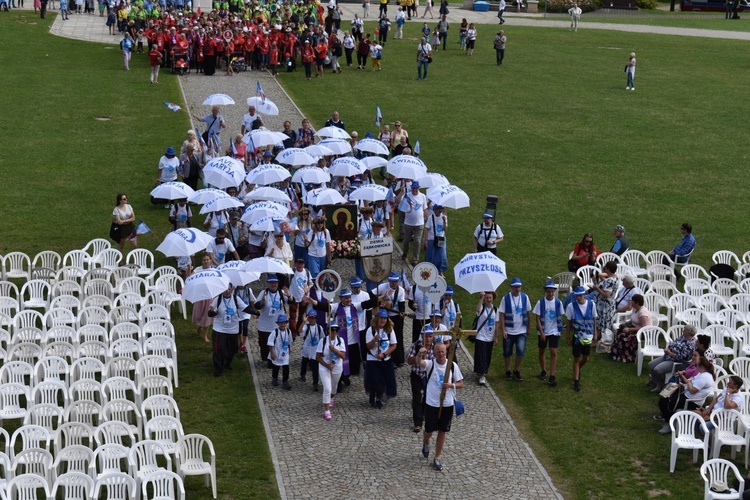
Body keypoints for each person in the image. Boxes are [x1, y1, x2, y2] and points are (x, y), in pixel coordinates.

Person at [417, 341, 463, 471]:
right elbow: (420, 363)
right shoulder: (431, 364)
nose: (441, 354)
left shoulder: (452, 366)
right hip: (432, 403)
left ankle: (437, 457)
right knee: (429, 431)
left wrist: (451, 385)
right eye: (438, 352)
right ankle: (426, 442)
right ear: (434, 353)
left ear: (446, 352)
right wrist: (420, 355)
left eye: (443, 352)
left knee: (443, 430)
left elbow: (460, 383)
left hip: (447, 403)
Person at [655, 356, 715, 434]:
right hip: (687, 395)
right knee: (666, 397)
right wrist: (684, 382)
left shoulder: (704, 377)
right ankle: (669, 419)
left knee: (664, 402)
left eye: (696, 365)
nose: (695, 367)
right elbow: (690, 382)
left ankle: (668, 424)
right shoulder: (702, 374)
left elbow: (693, 390)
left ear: (702, 367)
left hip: (692, 402)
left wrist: (688, 383)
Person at [208, 283, 248, 377]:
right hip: (219, 329)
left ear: (232, 289)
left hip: (233, 329)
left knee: (232, 348)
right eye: (225, 289)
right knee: (219, 349)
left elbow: (245, 308)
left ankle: (227, 363)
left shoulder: (235, 299)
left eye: (229, 289)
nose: (227, 291)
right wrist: (211, 311)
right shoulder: (218, 299)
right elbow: (211, 314)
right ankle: (218, 368)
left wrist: (255, 312)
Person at [565, 286, 598, 392]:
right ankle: (576, 381)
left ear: (584, 295)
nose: (578, 297)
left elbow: (594, 320)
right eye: (577, 296)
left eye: (580, 295)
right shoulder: (571, 306)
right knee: (576, 358)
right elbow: (569, 323)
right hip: (577, 337)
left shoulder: (591, 304)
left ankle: (577, 369)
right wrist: (568, 337)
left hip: (588, 336)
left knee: (586, 358)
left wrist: (595, 334)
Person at [646, 324, 697, 392]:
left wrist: (669, 353)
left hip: (677, 362)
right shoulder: (682, 337)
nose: (683, 331)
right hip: (668, 356)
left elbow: (681, 357)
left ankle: (661, 384)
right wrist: (667, 349)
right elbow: (673, 343)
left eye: (685, 330)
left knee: (657, 370)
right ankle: (655, 381)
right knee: (650, 365)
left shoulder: (691, 344)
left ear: (689, 333)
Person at [365, 309, 398, 409]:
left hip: (385, 359)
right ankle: (373, 396)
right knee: (375, 381)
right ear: (376, 319)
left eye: (384, 318)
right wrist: (374, 339)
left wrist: (384, 354)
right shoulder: (370, 330)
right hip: (373, 359)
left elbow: (393, 345)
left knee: (384, 381)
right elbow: (368, 346)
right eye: (381, 318)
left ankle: (379, 398)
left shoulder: (389, 330)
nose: (382, 320)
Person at [500, 277, 531, 382]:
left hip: (521, 330)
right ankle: (507, 370)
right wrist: (503, 330)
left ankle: (516, 370)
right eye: (515, 287)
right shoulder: (505, 298)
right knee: (507, 352)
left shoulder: (525, 297)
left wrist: (528, 326)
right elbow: (502, 314)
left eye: (519, 287)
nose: (517, 289)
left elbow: (528, 312)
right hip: (509, 330)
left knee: (520, 350)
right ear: (511, 288)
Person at [533, 280, 564, 386]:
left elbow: (561, 316)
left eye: (552, 292)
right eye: (549, 292)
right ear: (546, 292)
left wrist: (559, 328)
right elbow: (537, 318)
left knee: (553, 352)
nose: (551, 294)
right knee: (542, 351)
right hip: (543, 330)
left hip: (554, 331)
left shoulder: (558, 303)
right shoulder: (540, 303)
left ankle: (552, 375)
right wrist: (541, 332)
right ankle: (543, 370)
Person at [255, 275, 291, 365]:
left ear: (278, 283)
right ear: (268, 284)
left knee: (277, 343)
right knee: (264, 344)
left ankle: (275, 360)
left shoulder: (282, 293)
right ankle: (266, 359)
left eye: (275, 283)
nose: (273, 284)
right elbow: (256, 306)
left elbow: (291, 302)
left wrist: (289, 296)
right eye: (271, 283)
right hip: (265, 325)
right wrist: (262, 301)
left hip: (277, 325)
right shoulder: (263, 293)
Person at [373, 271, 407, 365]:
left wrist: (402, 313)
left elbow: (401, 304)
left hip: (396, 316)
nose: (394, 283)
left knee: (398, 336)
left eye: (396, 281)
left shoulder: (401, 290)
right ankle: (387, 356)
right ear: (389, 281)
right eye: (392, 281)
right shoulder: (382, 287)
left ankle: (399, 358)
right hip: (384, 315)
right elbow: (371, 295)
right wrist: (382, 298)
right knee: (386, 337)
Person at [407, 325, 436, 432]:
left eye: (430, 336)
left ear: (433, 337)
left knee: (428, 396)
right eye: (426, 336)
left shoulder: (435, 347)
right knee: (417, 397)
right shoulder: (416, 345)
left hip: (429, 375)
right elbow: (409, 361)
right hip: (417, 374)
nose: (428, 339)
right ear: (422, 337)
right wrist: (418, 355)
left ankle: (423, 413)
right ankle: (417, 422)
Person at [316, 323, 346, 420]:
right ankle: (327, 411)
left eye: (336, 330)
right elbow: (318, 357)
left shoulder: (340, 341)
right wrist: (327, 366)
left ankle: (331, 398)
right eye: (332, 330)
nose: (334, 332)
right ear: (328, 331)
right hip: (325, 367)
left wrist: (334, 350)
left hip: (337, 367)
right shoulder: (323, 341)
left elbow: (343, 356)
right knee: (327, 388)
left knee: (333, 388)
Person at [610, 294, 651, 363]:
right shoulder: (635, 309)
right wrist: (625, 324)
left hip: (642, 332)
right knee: (618, 331)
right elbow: (632, 320)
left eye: (632, 301)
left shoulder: (642, 313)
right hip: (635, 327)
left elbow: (643, 327)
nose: (631, 302)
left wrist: (629, 329)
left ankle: (627, 357)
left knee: (623, 336)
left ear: (637, 303)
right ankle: (616, 354)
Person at [589, 261, 619, 339]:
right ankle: (597, 338)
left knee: (599, 323)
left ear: (608, 269)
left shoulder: (610, 281)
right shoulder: (615, 278)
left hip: (604, 306)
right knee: (599, 323)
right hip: (606, 304)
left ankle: (595, 340)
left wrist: (597, 288)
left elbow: (606, 295)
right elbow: (604, 284)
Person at [473, 291, 497, 386]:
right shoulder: (482, 307)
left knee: (487, 356)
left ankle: (481, 371)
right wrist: (481, 298)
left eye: (490, 298)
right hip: (481, 336)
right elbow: (478, 310)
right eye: (487, 298)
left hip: (490, 336)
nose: (489, 300)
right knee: (481, 355)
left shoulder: (495, 309)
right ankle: (482, 375)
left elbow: (496, 323)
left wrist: (496, 336)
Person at [400, 181, 426, 265]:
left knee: (417, 241)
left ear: (419, 188)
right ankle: (405, 252)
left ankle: (415, 259)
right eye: (413, 188)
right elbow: (400, 205)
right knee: (406, 241)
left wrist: (428, 219)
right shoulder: (406, 196)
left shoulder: (422, 196)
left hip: (419, 223)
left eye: (416, 188)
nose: (415, 190)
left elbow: (424, 209)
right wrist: (401, 192)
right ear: (411, 188)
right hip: (408, 223)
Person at [192, 255, 214, 343]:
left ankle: (205, 334)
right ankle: (200, 326)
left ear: (210, 260)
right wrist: (190, 269)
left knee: (207, 315)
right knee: (199, 313)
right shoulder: (198, 269)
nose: (206, 261)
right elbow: (191, 277)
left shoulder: (213, 271)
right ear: (202, 261)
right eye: (204, 260)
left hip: (209, 295)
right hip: (199, 295)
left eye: (207, 260)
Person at [299, 310, 324, 390]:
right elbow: (300, 331)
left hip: (315, 350)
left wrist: (322, 350)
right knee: (304, 362)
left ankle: (315, 383)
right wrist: (303, 322)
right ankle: (302, 374)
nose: (312, 319)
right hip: (307, 349)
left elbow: (322, 339)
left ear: (316, 318)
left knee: (315, 368)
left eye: (313, 318)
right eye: (310, 318)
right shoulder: (306, 327)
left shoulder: (319, 328)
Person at [268, 314, 293, 389]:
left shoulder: (288, 331)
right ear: (278, 324)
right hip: (276, 352)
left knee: (286, 367)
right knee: (276, 367)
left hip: (285, 353)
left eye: (284, 323)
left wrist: (289, 351)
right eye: (281, 323)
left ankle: (285, 381)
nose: (283, 325)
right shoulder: (275, 332)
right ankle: (274, 378)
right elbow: (270, 343)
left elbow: (289, 342)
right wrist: (272, 353)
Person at [423, 204, 447, 274]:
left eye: (436, 210)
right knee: (430, 255)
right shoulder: (431, 217)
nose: (435, 211)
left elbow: (445, 230)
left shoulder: (444, 217)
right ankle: (428, 269)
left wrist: (444, 222)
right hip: (432, 238)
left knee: (442, 255)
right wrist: (426, 240)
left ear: (439, 210)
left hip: (441, 238)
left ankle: (441, 270)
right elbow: (427, 229)